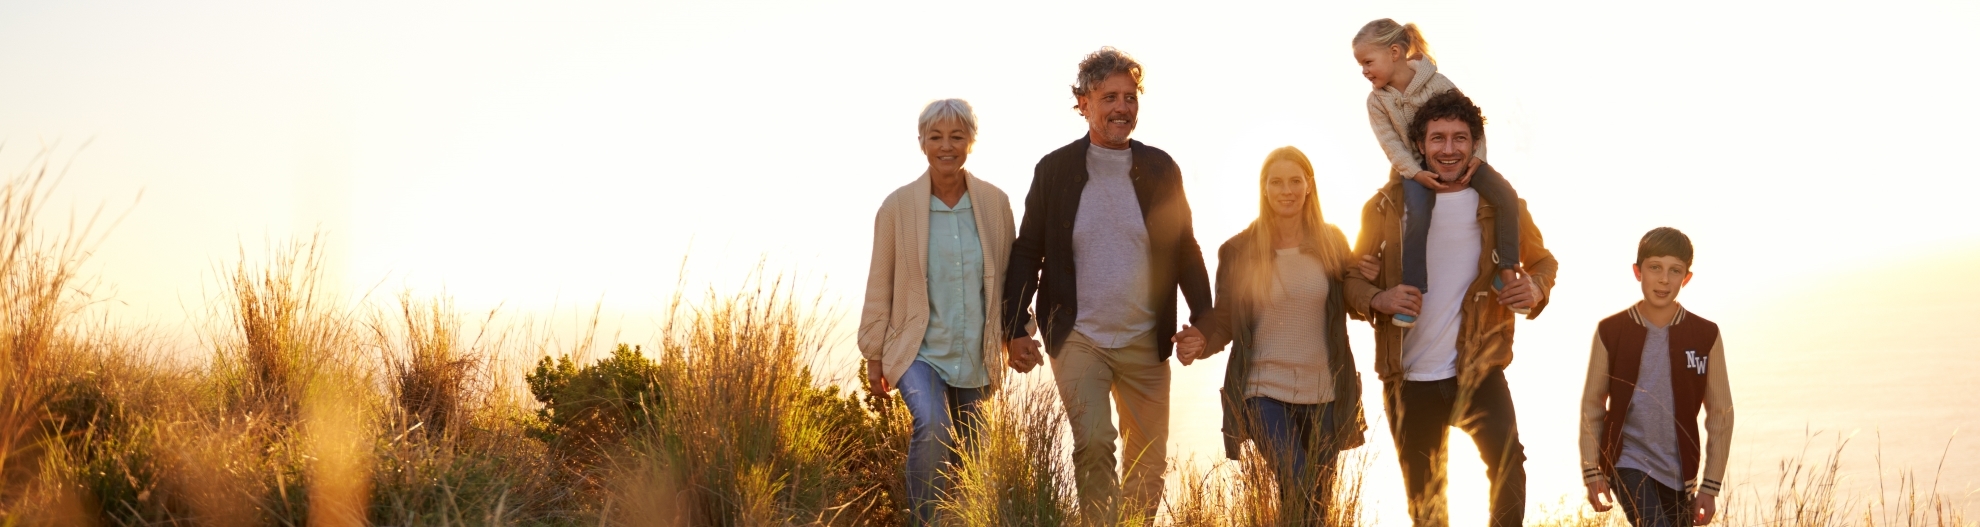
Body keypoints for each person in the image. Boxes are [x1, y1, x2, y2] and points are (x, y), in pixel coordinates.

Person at [1001, 46, 1213, 524]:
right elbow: (1027, 252)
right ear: (1084, 102)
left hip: (1145, 338)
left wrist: (1205, 321)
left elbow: (1185, 249)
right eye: (1109, 97)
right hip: (1078, 337)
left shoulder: (1161, 169)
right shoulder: (1055, 170)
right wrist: (1013, 328)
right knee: (1095, 442)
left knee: (1148, 463)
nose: (1122, 108)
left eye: (1130, 98)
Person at [1345, 89, 1557, 527]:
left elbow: (1542, 263)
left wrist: (1534, 289)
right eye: (1437, 138)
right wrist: (1379, 299)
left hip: (1479, 369)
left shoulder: (1503, 207)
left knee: (1508, 470)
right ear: (1419, 145)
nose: (1448, 149)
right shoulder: (1386, 206)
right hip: (1410, 379)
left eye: (1459, 138)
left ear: (1475, 144)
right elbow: (1351, 281)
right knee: (1427, 506)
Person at [1174, 146, 1368, 526]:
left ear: (1309, 186)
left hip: (1326, 392)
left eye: (1296, 181)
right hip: (1263, 391)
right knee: (1296, 480)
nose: (1287, 190)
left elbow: (1355, 300)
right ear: (1263, 189)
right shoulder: (1239, 249)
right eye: (1276, 182)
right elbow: (1226, 317)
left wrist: (1376, 282)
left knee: (1316, 501)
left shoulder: (1332, 243)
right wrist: (1200, 340)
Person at [857, 98, 1017, 526]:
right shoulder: (897, 208)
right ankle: (924, 522)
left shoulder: (995, 205)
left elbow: (1007, 281)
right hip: (918, 351)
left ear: (971, 142)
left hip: (975, 355)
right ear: (922, 144)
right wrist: (874, 353)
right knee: (933, 424)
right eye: (936, 137)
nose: (946, 146)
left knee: (973, 458)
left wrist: (1017, 334)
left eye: (957, 136)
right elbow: (880, 283)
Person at [1351, 18, 1526, 327]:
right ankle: (1414, 289)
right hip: (1410, 168)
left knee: (1505, 196)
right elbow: (1390, 143)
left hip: (1460, 161)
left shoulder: (1437, 82)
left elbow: (1471, 122)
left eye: (1367, 61)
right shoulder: (1377, 101)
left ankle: (1506, 270)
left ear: (1394, 52)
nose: (1363, 70)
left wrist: (1477, 160)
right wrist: (1414, 174)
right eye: (1360, 64)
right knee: (1418, 211)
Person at [1579, 227, 1734, 527]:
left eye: (1674, 270)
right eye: (1655, 268)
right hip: (1626, 461)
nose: (1664, 279)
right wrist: (1593, 471)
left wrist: (1710, 486)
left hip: (1680, 473)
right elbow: (1592, 405)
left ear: (1686, 278)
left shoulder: (1706, 335)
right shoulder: (1610, 332)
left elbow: (1721, 414)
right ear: (1638, 272)